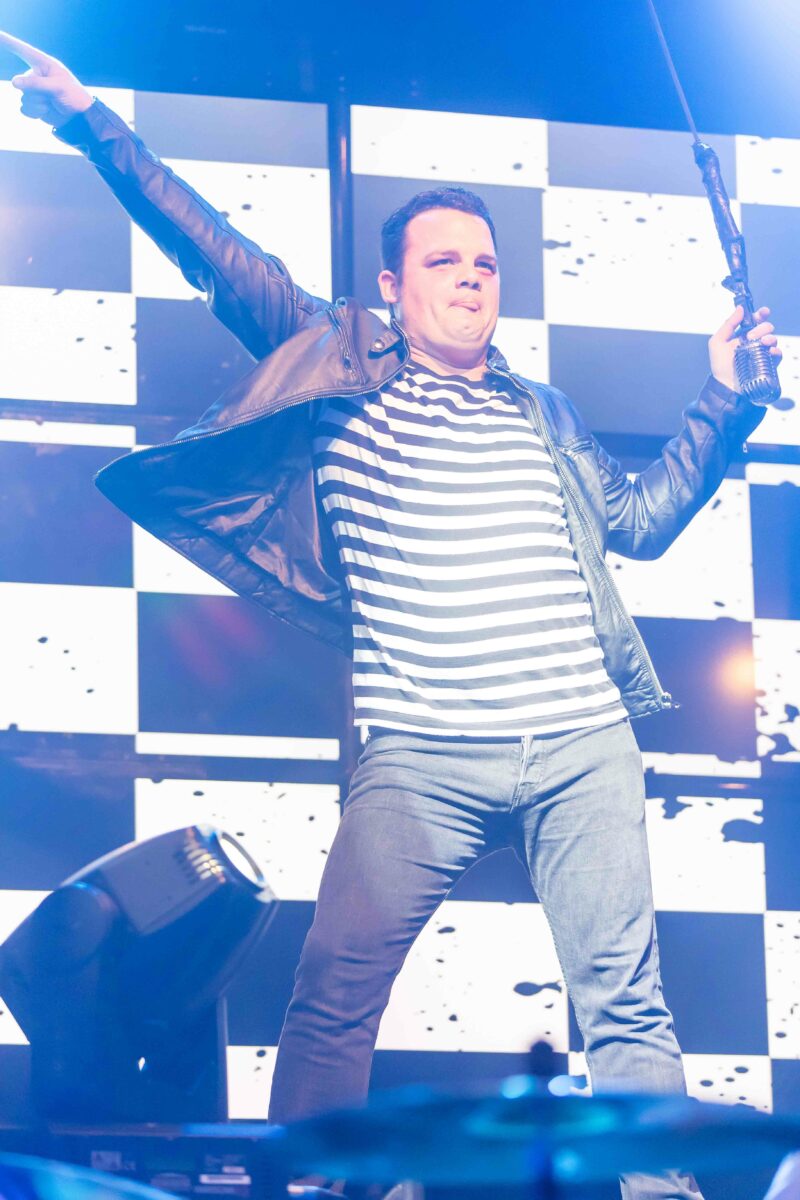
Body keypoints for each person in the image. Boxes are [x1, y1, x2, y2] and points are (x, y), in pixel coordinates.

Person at [1, 31, 783, 1200]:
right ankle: (320, 1192)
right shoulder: (335, 363)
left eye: (485, 263)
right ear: (390, 287)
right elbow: (211, 249)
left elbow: (641, 522)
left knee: (623, 1001)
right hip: (421, 753)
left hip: (580, 740)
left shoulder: (541, 410)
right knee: (332, 995)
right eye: (443, 262)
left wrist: (723, 398)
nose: (471, 278)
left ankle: (657, 1194)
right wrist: (87, 121)